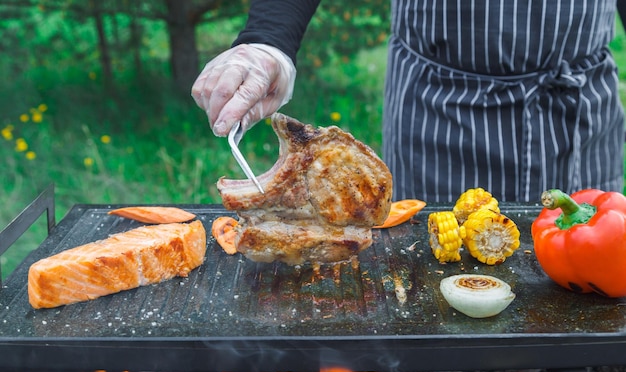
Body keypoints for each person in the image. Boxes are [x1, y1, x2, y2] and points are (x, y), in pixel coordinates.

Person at [191, 0, 625, 203]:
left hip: (578, 105)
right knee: (426, 279)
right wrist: (269, 40)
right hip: (441, 107)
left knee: (583, 293)